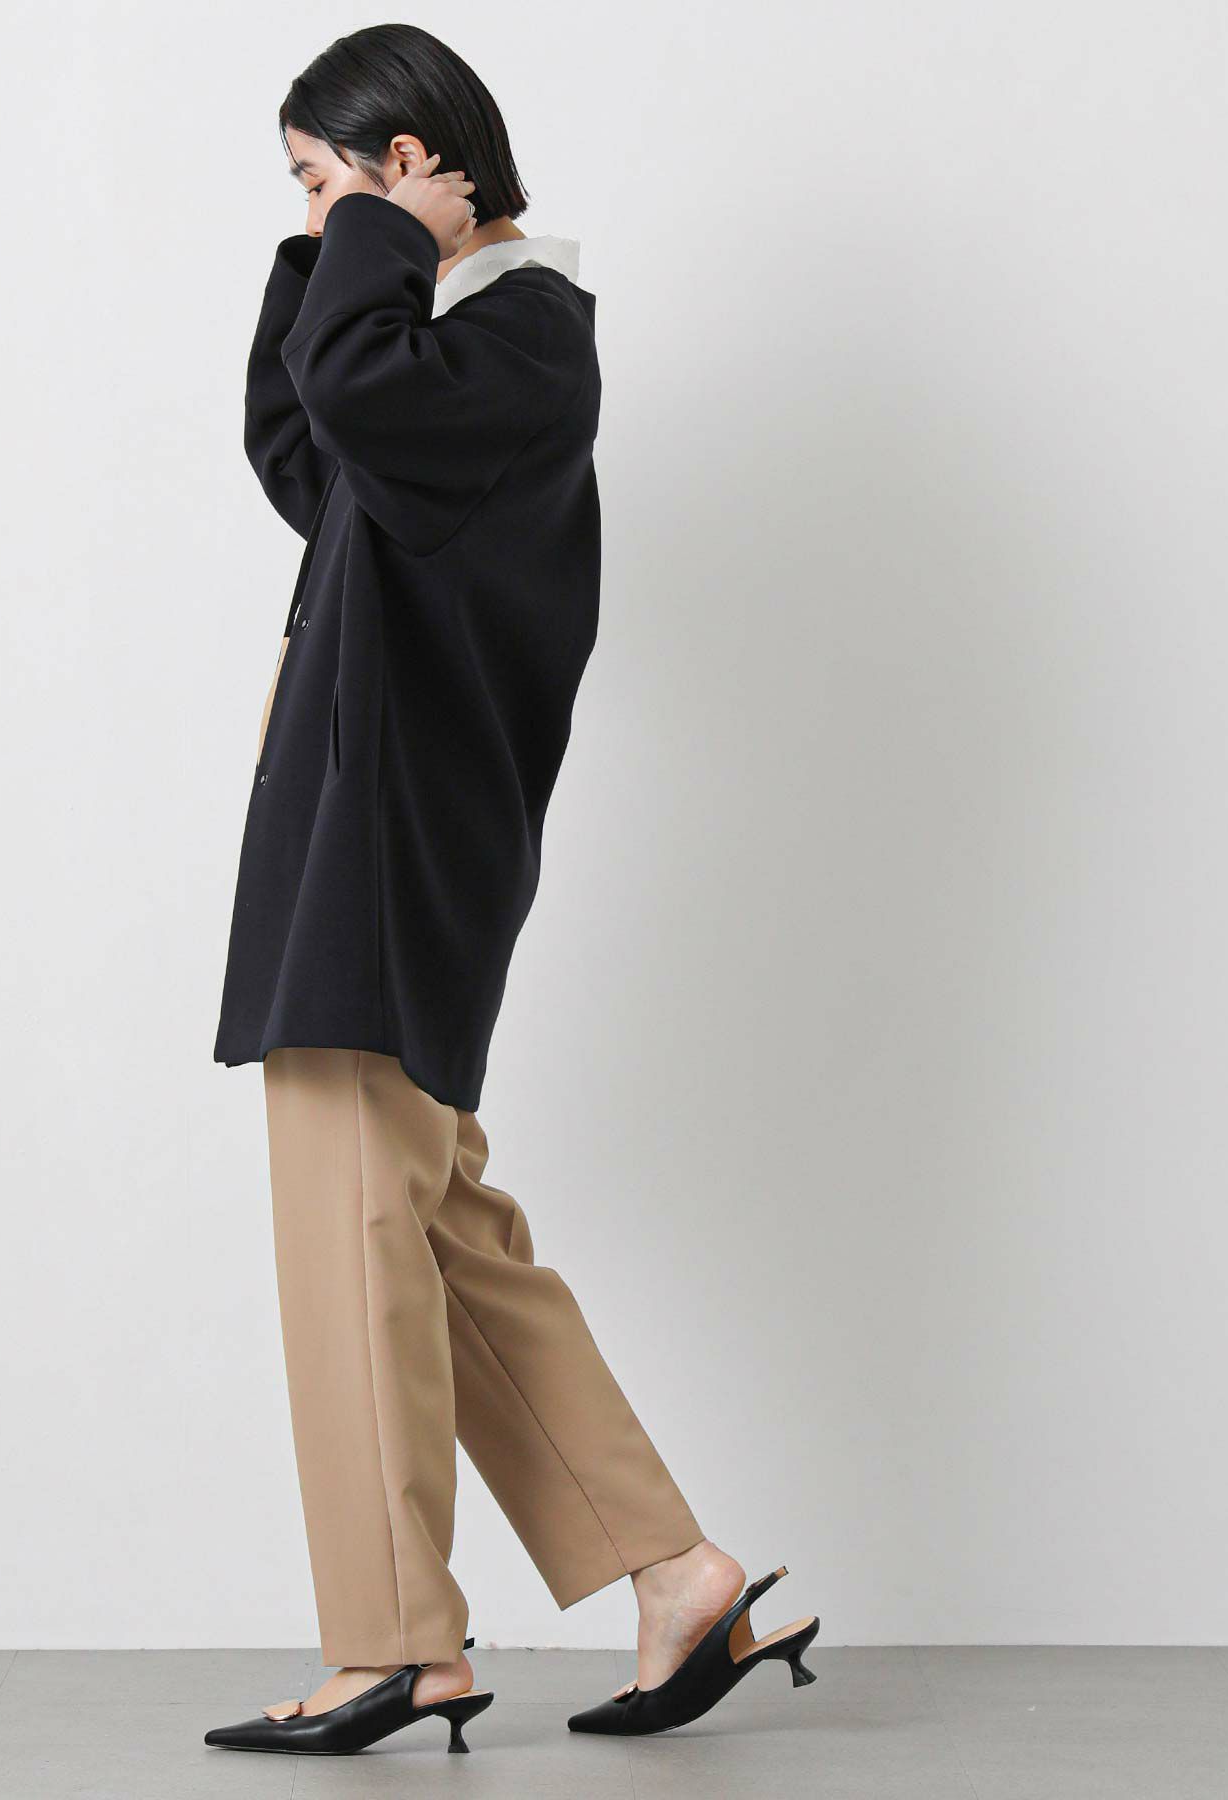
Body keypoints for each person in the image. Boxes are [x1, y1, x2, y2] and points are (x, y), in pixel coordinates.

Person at [204, 23, 818, 1758]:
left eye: (325, 185)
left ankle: (395, 1644)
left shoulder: (523, 337)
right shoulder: (442, 350)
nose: (314, 225)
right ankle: (675, 1570)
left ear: (410, 164)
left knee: (351, 1229)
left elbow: (359, 400)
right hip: (380, 834)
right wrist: (329, 256)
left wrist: (368, 246)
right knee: (437, 1227)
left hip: (390, 846)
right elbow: (305, 457)